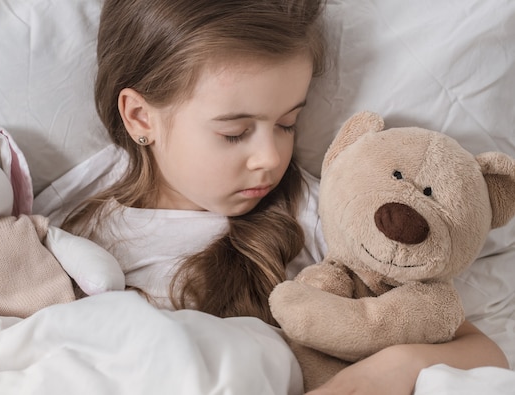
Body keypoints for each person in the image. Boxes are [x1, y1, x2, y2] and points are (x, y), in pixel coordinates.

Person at [62, 0, 509, 394]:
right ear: (141, 117)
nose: (270, 157)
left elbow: (479, 350)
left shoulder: (319, 217)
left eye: (287, 124)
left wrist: (389, 369)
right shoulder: (73, 225)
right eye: (234, 133)